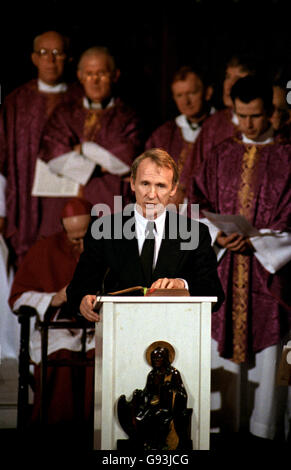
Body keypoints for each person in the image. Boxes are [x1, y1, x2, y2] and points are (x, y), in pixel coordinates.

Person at [192, 75, 291, 443]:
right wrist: (217, 234)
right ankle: (225, 428)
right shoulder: (221, 153)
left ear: (271, 111)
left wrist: (259, 245)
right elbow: (197, 205)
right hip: (225, 267)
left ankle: (264, 430)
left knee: (268, 353)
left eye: (256, 116)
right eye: (241, 115)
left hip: (269, 276)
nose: (248, 124)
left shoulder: (287, 155)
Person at [66, 147, 224, 323]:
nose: (152, 194)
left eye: (161, 185)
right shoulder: (103, 229)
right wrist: (83, 301)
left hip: (175, 331)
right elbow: (77, 289)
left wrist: (182, 285)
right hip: (121, 329)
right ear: (133, 183)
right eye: (145, 184)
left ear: (173, 189)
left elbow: (214, 293)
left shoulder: (195, 233)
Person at [37, 45, 144, 238]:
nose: (94, 81)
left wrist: (84, 149)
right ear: (79, 76)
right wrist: (100, 166)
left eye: (101, 74)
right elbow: (53, 157)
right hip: (64, 203)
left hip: (110, 204)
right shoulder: (64, 113)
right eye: (88, 74)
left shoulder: (127, 116)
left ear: (115, 75)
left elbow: (126, 160)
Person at [9, 198, 95, 435]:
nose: (79, 244)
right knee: (60, 352)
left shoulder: (112, 247)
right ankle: (57, 434)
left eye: (84, 236)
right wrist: (54, 298)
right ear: (63, 230)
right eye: (74, 238)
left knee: (103, 356)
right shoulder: (44, 250)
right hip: (58, 328)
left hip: (99, 328)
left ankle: (99, 432)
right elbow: (18, 297)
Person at [0, 30, 81, 266]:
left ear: (68, 58)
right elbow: (2, 157)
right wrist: (1, 211)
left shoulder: (81, 98)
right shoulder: (16, 102)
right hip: (26, 200)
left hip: (69, 194)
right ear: (34, 58)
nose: (50, 59)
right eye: (44, 53)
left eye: (57, 53)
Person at [145, 65, 214, 209]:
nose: (186, 101)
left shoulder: (222, 129)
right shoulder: (164, 134)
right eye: (179, 95)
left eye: (192, 93)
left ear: (207, 93)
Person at [195, 53, 261, 163]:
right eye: (228, 77)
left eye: (239, 78)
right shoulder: (213, 125)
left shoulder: (271, 123)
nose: (229, 86)